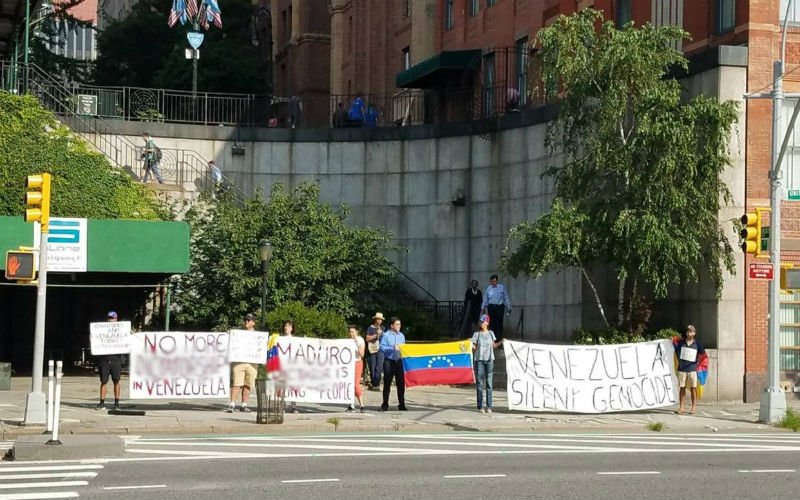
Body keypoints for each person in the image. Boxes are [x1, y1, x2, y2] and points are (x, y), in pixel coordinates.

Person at [226, 313, 258, 413]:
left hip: (252, 363)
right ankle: (232, 404)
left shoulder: (258, 336)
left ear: (253, 322)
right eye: (245, 320)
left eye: (248, 320)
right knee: (236, 383)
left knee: (248, 384)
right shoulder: (238, 334)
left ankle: (244, 405)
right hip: (239, 362)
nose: (246, 322)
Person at [471, 314, 502, 414]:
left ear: (487, 323)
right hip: (479, 360)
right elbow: (474, 348)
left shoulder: (491, 333)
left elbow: (494, 345)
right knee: (480, 384)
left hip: (489, 360)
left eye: (483, 321)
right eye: (481, 321)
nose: (481, 323)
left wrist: (502, 341)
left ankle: (489, 406)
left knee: (489, 384)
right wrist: (469, 343)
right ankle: (480, 406)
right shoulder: (476, 334)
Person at [675, 324, 705, 415]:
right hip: (682, 369)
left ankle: (693, 407)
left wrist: (697, 364)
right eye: (688, 331)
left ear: (694, 333)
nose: (689, 333)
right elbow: (675, 351)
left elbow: (703, 355)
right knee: (682, 388)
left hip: (692, 369)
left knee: (693, 388)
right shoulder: (681, 343)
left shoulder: (698, 344)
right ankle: (681, 407)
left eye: (691, 331)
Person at [96, 311, 123, 410]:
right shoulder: (101, 329)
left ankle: (116, 403)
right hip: (104, 359)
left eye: (113, 318)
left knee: (116, 381)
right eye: (109, 318)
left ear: (116, 319)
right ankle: (102, 403)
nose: (111, 320)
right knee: (104, 381)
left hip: (116, 358)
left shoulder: (121, 330)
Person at [380, 316, 407, 411]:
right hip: (389, 361)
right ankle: (385, 404)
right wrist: (392, 348)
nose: (399, 326)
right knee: (387, 383)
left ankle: (402, 404)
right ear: (392, 326)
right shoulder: (386, 335)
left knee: (401, 383)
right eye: (397, 324)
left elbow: (404, 348)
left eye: (400, 324)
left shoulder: (402, 336)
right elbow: (382, 347)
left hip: (399, 361)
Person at [481, 274, 512, 340]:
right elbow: (485, 299)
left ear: (497, 281)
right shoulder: (489, 288)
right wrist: (483, 308)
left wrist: (509, 308)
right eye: (492, 281)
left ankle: (499, 339)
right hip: (491, 307)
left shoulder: (502, 287)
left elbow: (506, 298)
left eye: (494, 281)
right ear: (490, 281)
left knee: (499, 323)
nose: (493, 283)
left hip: (499, 307)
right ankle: (492, 340)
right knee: (492, 324)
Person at [347, 325, 366, 413]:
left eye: (352, 332)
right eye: (350, 332)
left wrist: (355, 344)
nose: (351, 334)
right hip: (349, 364)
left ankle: (362, 405)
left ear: (356, 332)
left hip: (357, 363)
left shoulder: (360, 340)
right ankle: (351, 405)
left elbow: (362, 354)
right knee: (349, 384)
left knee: (355, 384)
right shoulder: (348, 341)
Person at [365, 312, 385, 390]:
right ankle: (374, 384)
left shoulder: (383, 328)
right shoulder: (370, 328)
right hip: (372, 349)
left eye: (381, 319)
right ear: (375, 319)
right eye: (378, 319)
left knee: (379, 366)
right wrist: (376, 335)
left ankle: (377, 383)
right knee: (372, 366)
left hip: (380, 349)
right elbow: (367, 338)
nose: (379, 321)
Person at [282, 320, 298, 413]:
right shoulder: (280, 339)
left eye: (288, 326)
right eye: (285, 326)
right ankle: (282, 405)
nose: (286, 328)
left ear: (292, 328)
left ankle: (294, 406)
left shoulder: (295, 340)